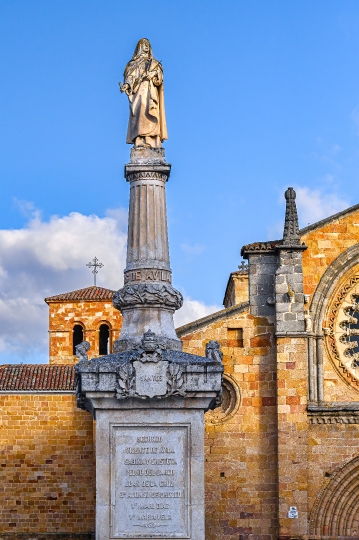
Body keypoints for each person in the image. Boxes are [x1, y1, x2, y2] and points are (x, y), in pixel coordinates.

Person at [120, 38, 168, 148]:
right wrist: (126, 85)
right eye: (143, 44)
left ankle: (151, 141)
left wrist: (154, 74)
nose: (146, 46)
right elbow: (130, 77)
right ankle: (140, 140)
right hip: (139, 92)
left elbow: (159, 79)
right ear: (139, 47)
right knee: (140, 113)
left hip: (150, 91)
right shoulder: (133, 64)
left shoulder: (154, 63)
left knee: (152, 112)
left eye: (148, 44)